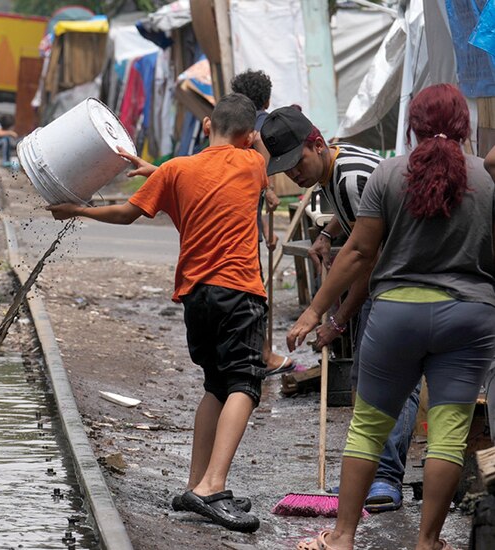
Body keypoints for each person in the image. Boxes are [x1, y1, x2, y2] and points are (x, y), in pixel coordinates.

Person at [288, 83, 495, 550]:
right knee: (448, 431)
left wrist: (316, 310)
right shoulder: (487, 180)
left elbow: (360, 252)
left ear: (412, 126)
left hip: (396, 317)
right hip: (469, 318)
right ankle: (428, 541)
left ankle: (342, 537)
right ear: (465, 127)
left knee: (368, 426)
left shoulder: (388, 175)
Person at [48, 94, 267, 534]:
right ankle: (212, 488)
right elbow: (258, 154)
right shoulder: (253, 166)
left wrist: (76, 209)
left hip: (196, 295)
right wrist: (256, 140)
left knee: (216, 385)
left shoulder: (175, 171)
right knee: (244, 383)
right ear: (247, 136)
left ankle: (195, 484)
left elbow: (128, 213)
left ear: (206, 126)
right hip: (239, 291)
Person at [262, 105, 409, 513]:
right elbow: (357, 219)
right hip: (385, 278)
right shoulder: (332, 171)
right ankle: (375, 470)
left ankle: (386, 476)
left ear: (318, 143)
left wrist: (334, 320)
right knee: (367, 377)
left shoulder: (353, 177)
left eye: (298, 163)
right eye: (287, 169)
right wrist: (328, 232)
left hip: (401, 281)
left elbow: (366, 258)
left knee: (392, 381)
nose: (295, 175)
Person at [230, 70, 292, 375]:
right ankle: (263, 354)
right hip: (246, 219)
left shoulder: (229, 123)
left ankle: (241, 351)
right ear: (266, 98)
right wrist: (268, 191)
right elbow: (259, 173)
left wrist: (265, 228)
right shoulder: (263, 124)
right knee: (254, 287)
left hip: (228, 214)